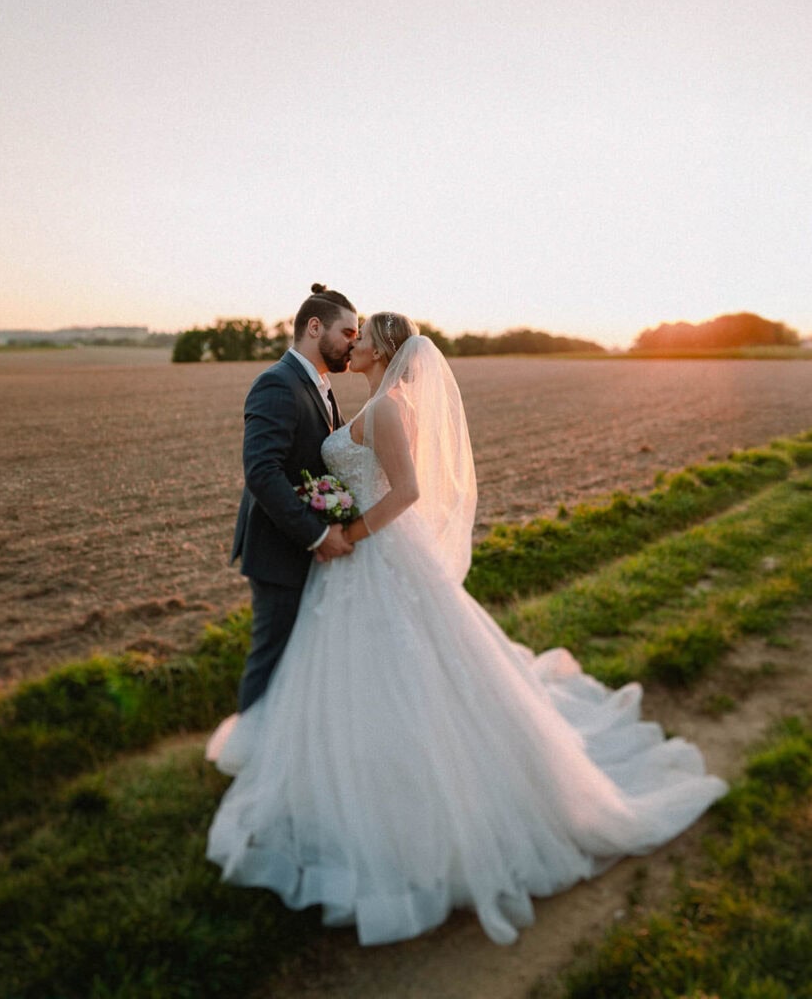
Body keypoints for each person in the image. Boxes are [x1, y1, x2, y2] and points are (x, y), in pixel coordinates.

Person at [207, 313, 727, 946]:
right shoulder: (373, 400)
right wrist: (332, 520)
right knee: (357, 677)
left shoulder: (390, 408)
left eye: (363, 336)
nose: (355, 342)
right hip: (356, 563)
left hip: (374, 555)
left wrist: (349, 533)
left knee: (403, 676)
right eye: (352, 332)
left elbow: (407, 492)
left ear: (385, 348)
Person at [229, 284, 358, 712]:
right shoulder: (277, 383)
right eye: (348, 333)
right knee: (271, 658)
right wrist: (318, 536)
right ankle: (249, 760)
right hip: (280, 551)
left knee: (300, 660)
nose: (352, 344)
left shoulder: (319, 383)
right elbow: (262, 473)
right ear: (314, 327)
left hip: (306, 550)